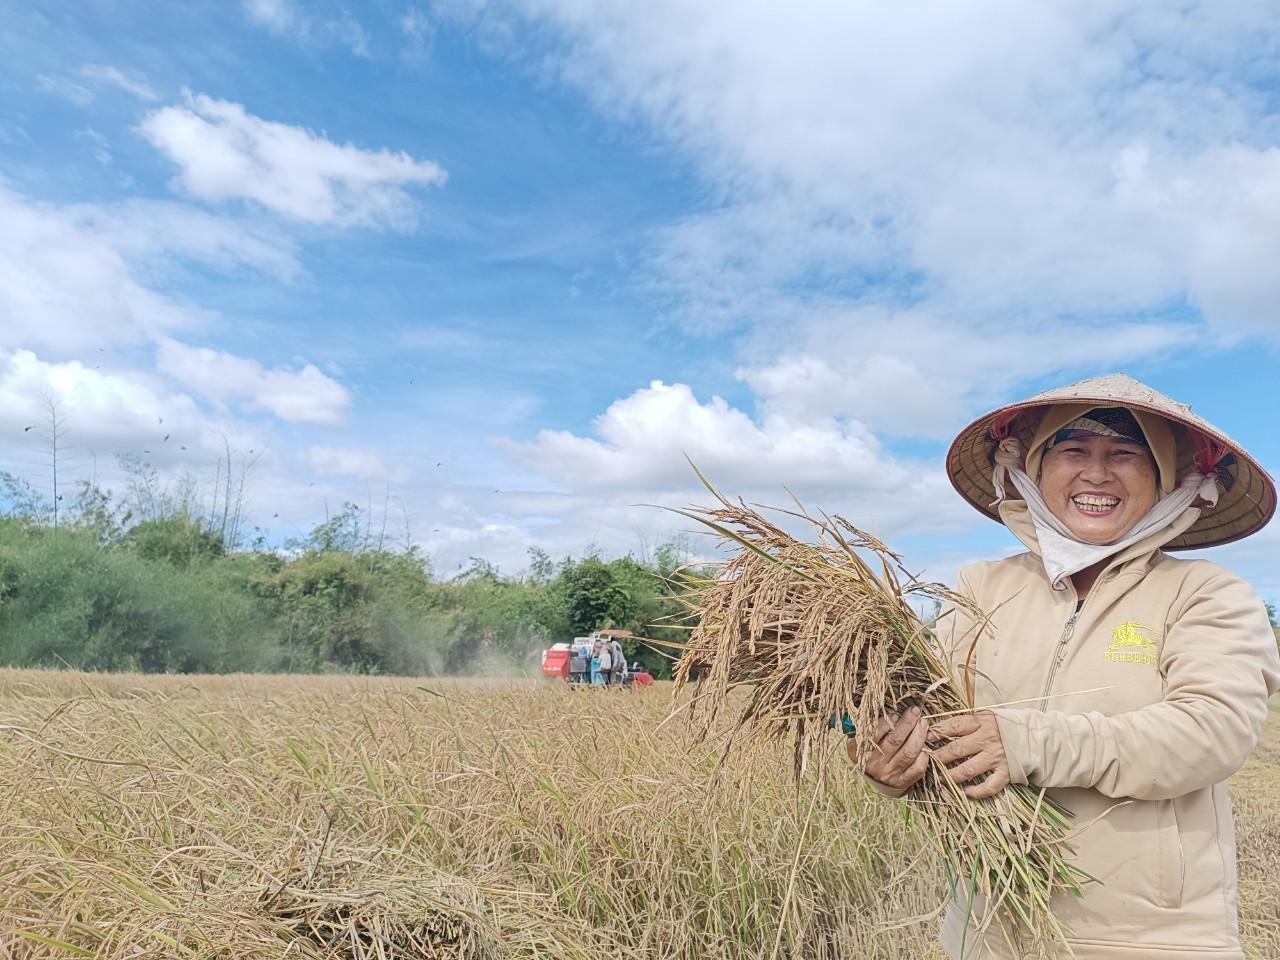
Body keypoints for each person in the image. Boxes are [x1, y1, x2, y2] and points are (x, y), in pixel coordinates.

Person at [856, 374, 1280, 960]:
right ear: (1032, 469)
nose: (1097, 473)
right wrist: (888, 760)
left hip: (1150, 939)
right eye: (1073, 449)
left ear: (1164, 481)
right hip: (987, 929)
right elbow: (929, 715)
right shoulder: (980, 587)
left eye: (1126, 454)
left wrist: (1027, 743)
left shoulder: (1206, 593)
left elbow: (1213, 731)